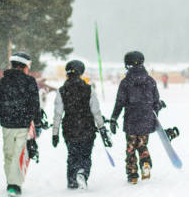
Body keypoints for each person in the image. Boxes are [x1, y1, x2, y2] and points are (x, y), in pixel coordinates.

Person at [0, 51, 42, 197]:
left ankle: (11, 182)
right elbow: (35, 104)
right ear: (24, 66)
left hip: (7, 124)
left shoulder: (2, 82)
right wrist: (37, 123)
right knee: (19, 155)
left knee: (9, 154)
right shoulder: (30, 81)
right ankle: (14, 184)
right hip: (23, 124)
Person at [52, 60, 111, 189]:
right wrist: (102, 128)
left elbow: (58, 113)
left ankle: (72, 180)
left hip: (69, 128)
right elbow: (96, 111)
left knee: (72, 154)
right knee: (85, 154)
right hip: (87, 127)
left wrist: (55, 133)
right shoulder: (88, 89)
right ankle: (83, 172)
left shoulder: (62, 90)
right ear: (81, 72)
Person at [109, 51, 161, 185]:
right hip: (146, 119)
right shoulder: (150, 81)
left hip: (131, 120)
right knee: (142, 144)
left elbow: (119, 102)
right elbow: (156, 101)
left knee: (131, 148)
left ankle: (132, 175)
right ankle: (145, 163)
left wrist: (114, 118)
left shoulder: (125, 82)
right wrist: (153, 114)